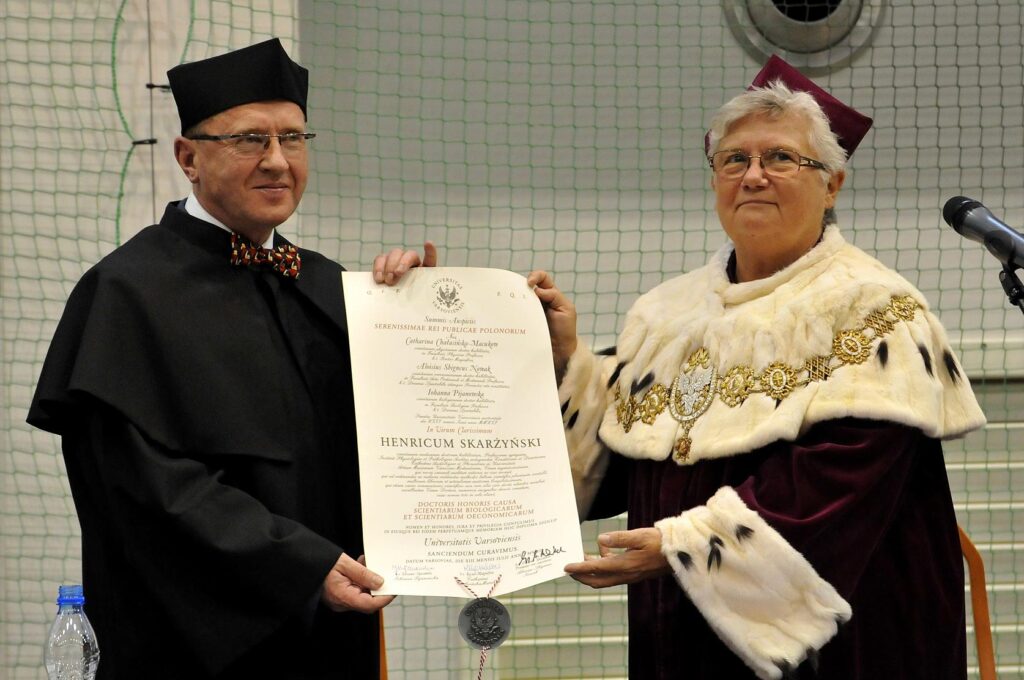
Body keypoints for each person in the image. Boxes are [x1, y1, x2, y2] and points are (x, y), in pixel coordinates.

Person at [529, 55, 986, 680]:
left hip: (842, 641)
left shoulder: (875, 306)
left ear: (832, 184)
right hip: (681, 632)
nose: (753, 175)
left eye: (780, 158)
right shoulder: (665, 313)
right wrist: (565, 360)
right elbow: (619, 470)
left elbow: (836, 481)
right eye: (734, 159)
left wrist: (679, 546)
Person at [28, 38, 431, 679]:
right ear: (189, 158)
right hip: (191, 650)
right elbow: (145, 489)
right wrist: (297, 564)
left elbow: (408, 441)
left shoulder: (331, 287)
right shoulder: (126, 293)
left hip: (333, 637)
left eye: (294, 139)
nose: (277, 161)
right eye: (250, 140)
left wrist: (424, 319)